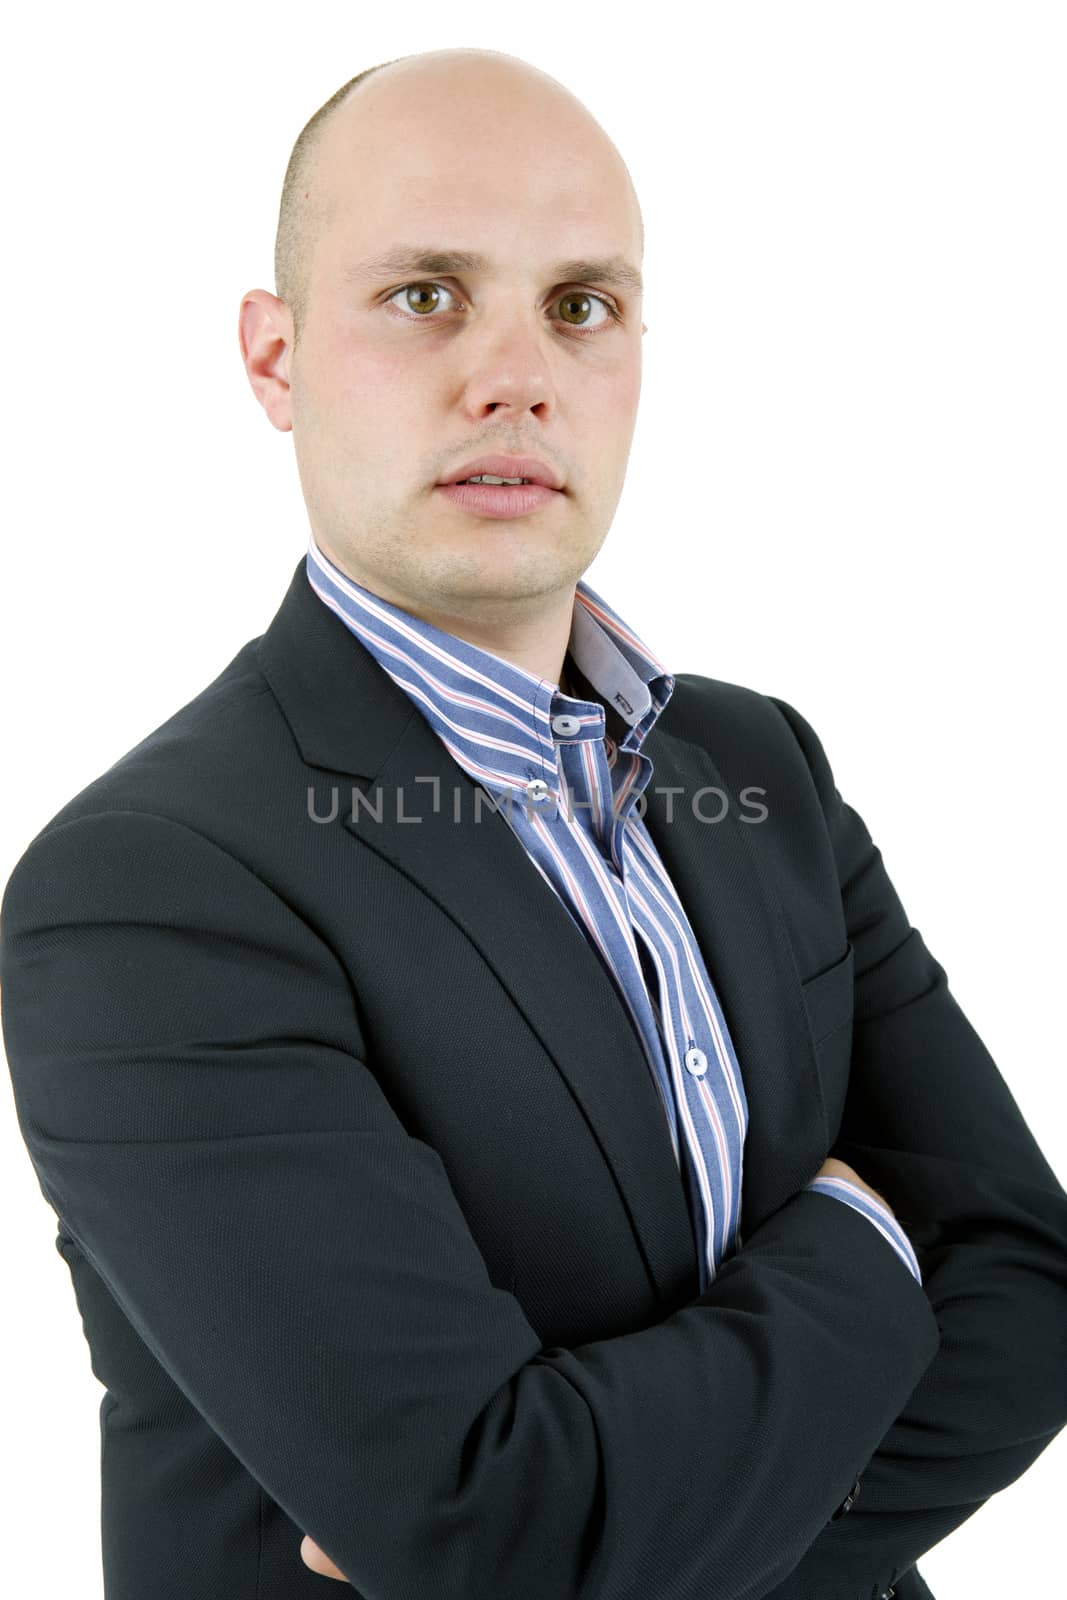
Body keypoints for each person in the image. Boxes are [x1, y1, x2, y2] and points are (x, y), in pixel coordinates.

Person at [1, 45, 1065, 1600]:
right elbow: (494, 1536)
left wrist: (627, 1540)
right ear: (275, 360)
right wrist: (868, 1240)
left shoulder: (758, 769)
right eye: (427, 295)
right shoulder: (150, 892)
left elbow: (1034, 1287)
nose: (518, 372)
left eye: (581, 305)